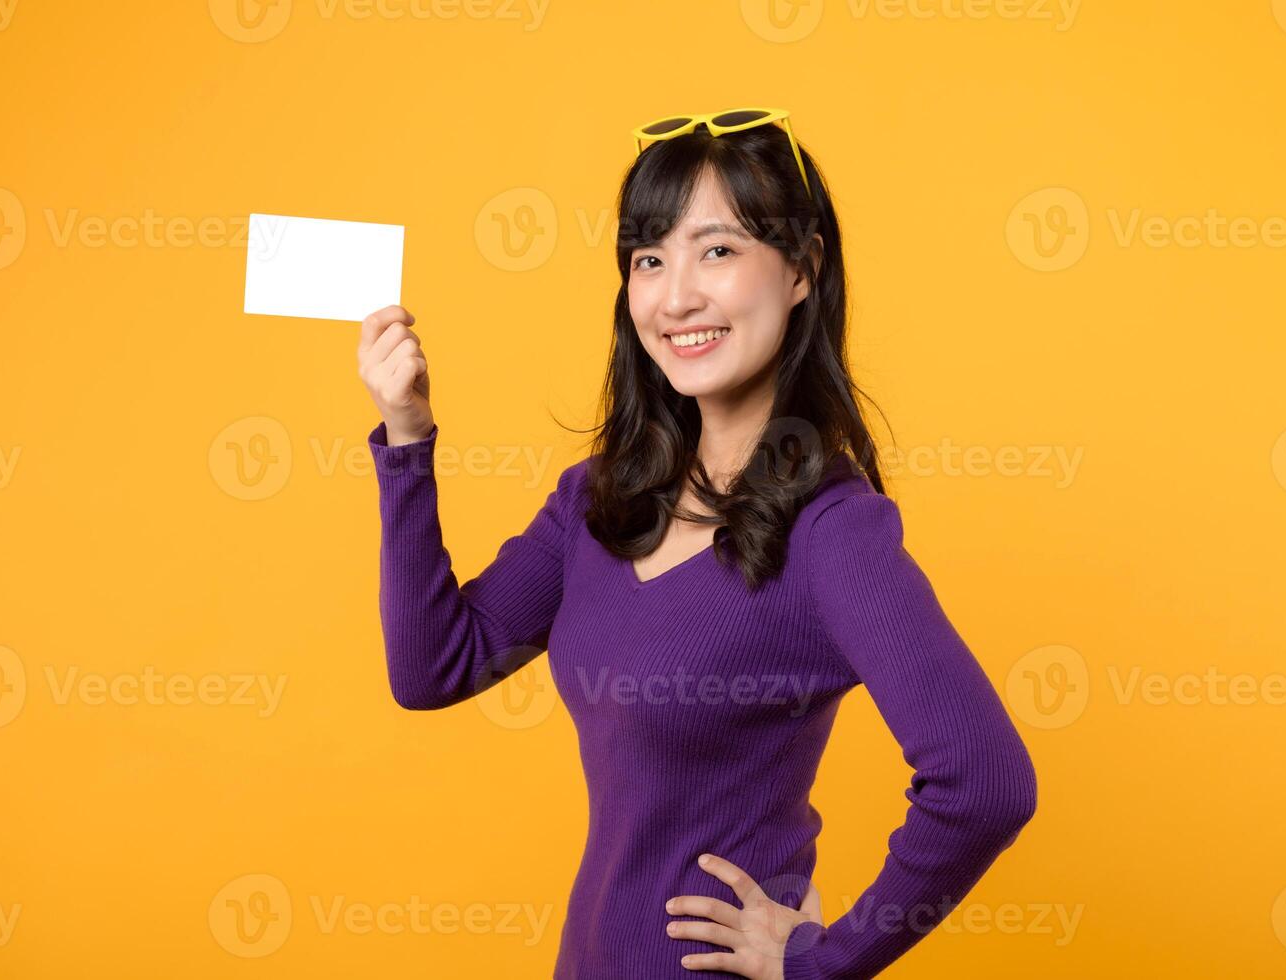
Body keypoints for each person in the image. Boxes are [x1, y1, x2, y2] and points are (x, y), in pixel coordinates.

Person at [355, 108, 1037, 979]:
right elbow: (434, 669)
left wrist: (821, 961)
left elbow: (986, 782)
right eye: (649, 258)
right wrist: (406, 440)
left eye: (716, 250)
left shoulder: (833, 533)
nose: (675, 296)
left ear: (801, 269)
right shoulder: (599, 502)